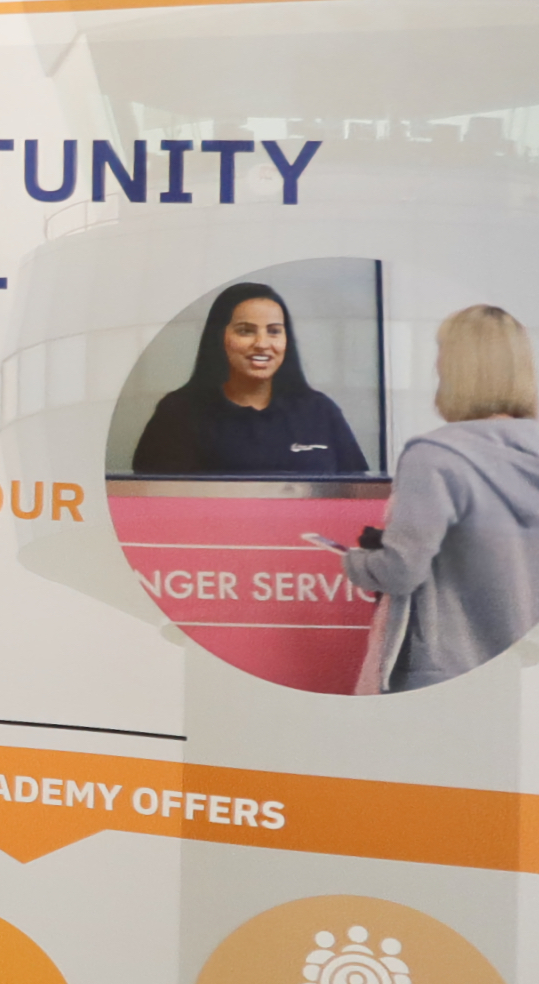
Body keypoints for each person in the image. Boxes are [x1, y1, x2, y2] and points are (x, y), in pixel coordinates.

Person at [341, 304, 539, 691]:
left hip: (444, 672)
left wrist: (357, 563)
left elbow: (401, 570)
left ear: (454, 368)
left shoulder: (434, 457)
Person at [130, 279, 368, 475]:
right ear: (219, 338)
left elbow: (356, 494)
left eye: (274, 331)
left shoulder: (320, 412)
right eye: (245, 331)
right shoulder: (178, 413)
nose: (262, 344)